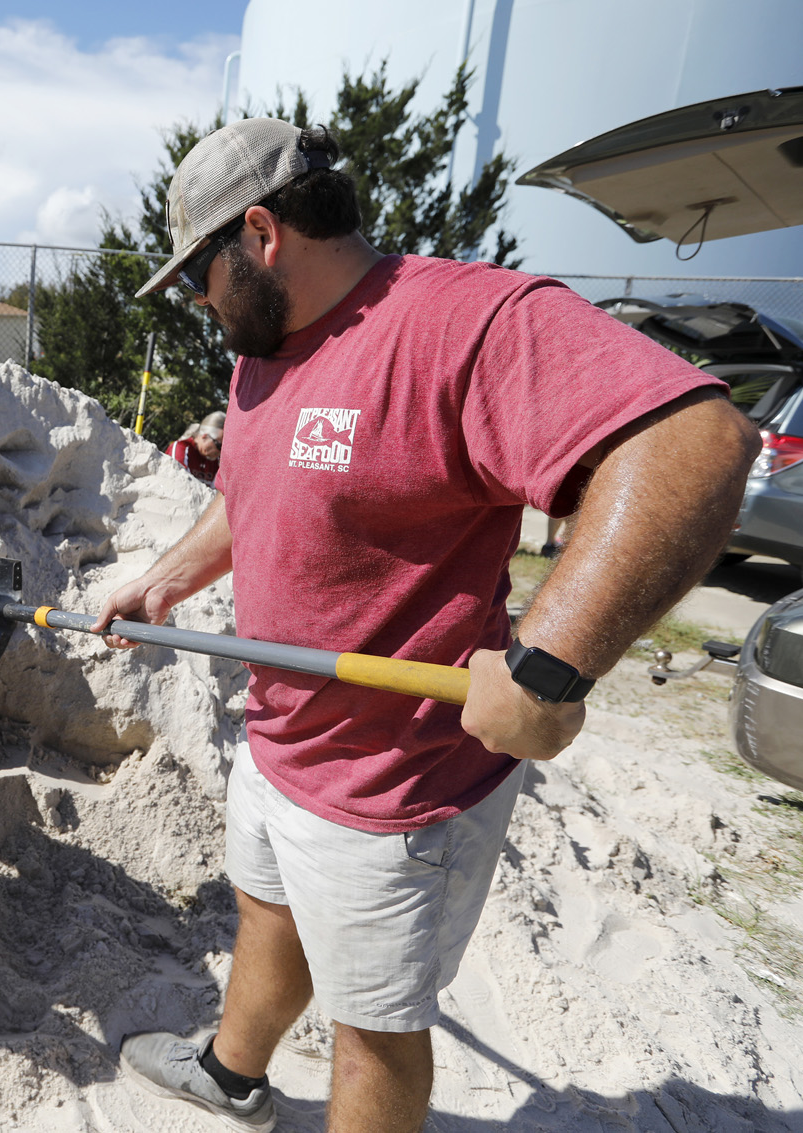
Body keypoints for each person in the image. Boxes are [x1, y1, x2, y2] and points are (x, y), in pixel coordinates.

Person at [94, 119, 758, 1133]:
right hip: (280, 740)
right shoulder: (264, 345)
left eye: (198, 275)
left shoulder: (463, 321)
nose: (196, 301)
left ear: (260, 234)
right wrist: (164, 580)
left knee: (372, 1032)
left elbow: (694, 441)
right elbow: (253, 487)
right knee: (265, 916)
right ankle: (231, 1072)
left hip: (391, 789)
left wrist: (546, 665)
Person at [167, 410, 226, 484]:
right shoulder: (181, 448)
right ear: (205, 436)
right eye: (219, 446)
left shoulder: (215, 461)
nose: (221, 452)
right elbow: (178, 482)